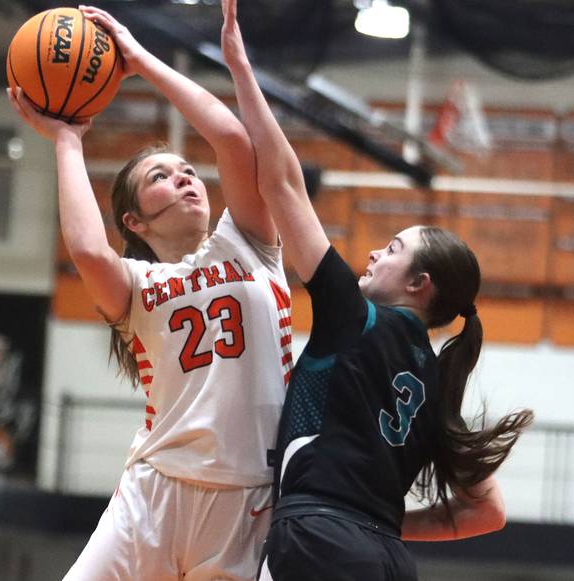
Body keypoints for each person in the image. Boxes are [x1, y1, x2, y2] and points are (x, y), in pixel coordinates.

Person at [219, 1, 535, 579]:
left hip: (316, 541)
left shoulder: (355, 317)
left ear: (419, 284)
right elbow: (487, 512)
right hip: (388, 559)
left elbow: (283, 182)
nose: (372, 253)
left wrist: (239, 66)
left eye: (391, 249)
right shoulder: (439, 383)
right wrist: (383, 524)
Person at [8, 5, 293, 580]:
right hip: (154, 489)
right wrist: (67, 139)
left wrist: (141, 61)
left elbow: (234, 140)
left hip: (248, 498)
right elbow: (88, 251)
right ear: (135, 222)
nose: (184, 177)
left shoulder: (251, 244)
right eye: (159, 177)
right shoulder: (138, 287)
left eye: (186, 169)